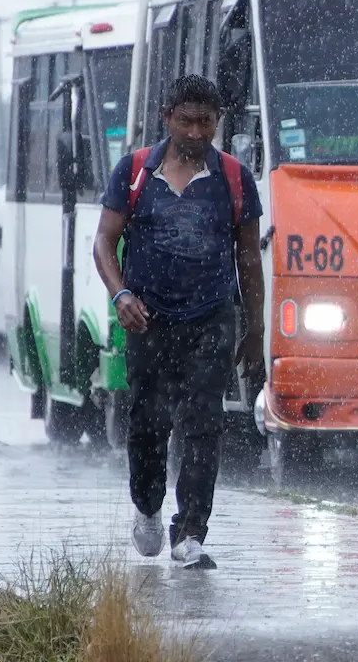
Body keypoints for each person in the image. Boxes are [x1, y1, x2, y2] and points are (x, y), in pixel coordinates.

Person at [93, 74, 265, 569]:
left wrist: (254, 330)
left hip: (213, 317)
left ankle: (190, 533)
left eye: (206, 123)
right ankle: (147, 507)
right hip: (149, 320)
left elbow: (249, 258)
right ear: (167, 118)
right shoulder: (135, 172)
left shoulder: (233, 177)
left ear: (217, 124)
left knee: (204, 422)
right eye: (186, 121)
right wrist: (120, 293)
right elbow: (104, 242)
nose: (195, 132)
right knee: (148, 425)